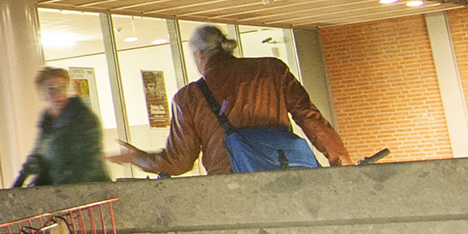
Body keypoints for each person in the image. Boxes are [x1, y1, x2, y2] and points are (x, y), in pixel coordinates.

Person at [112, 25, 350, 176]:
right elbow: (310, 118)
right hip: (285, 174)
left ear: (199, 55)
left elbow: (179, 162)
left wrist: (137, 157)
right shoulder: (272, 70)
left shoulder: (189, 98)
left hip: (231, 187)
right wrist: (342, 162)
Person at [14, 66, 108, 186]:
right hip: (61, 191)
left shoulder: (82, 118)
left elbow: (88, 164)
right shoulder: (47, 121)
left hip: (88, 192)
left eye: (62, 88)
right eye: (51, 89)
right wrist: (18, 184)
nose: (58, 94)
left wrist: (60, 193)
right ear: (42, 94)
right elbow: (37, 157)